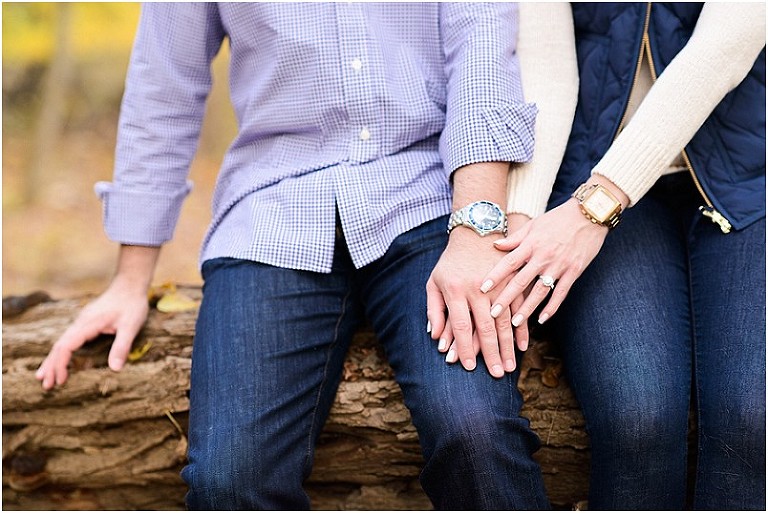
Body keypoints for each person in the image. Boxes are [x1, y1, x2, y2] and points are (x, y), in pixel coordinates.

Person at [34, 3, 568, 509]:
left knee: (475, 434)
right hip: (272, 211)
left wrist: (476, 226)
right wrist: (130, 280)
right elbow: (162, 88)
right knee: (230, 480)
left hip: (430, 197)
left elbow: (482, 51)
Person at [471, 3, 765, 510]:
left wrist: (596, 205)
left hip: (751, 174)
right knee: (637, 420)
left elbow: (729, 43)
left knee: (752, 419)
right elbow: (545, 63)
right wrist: (521, 222)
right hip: (591, 170)